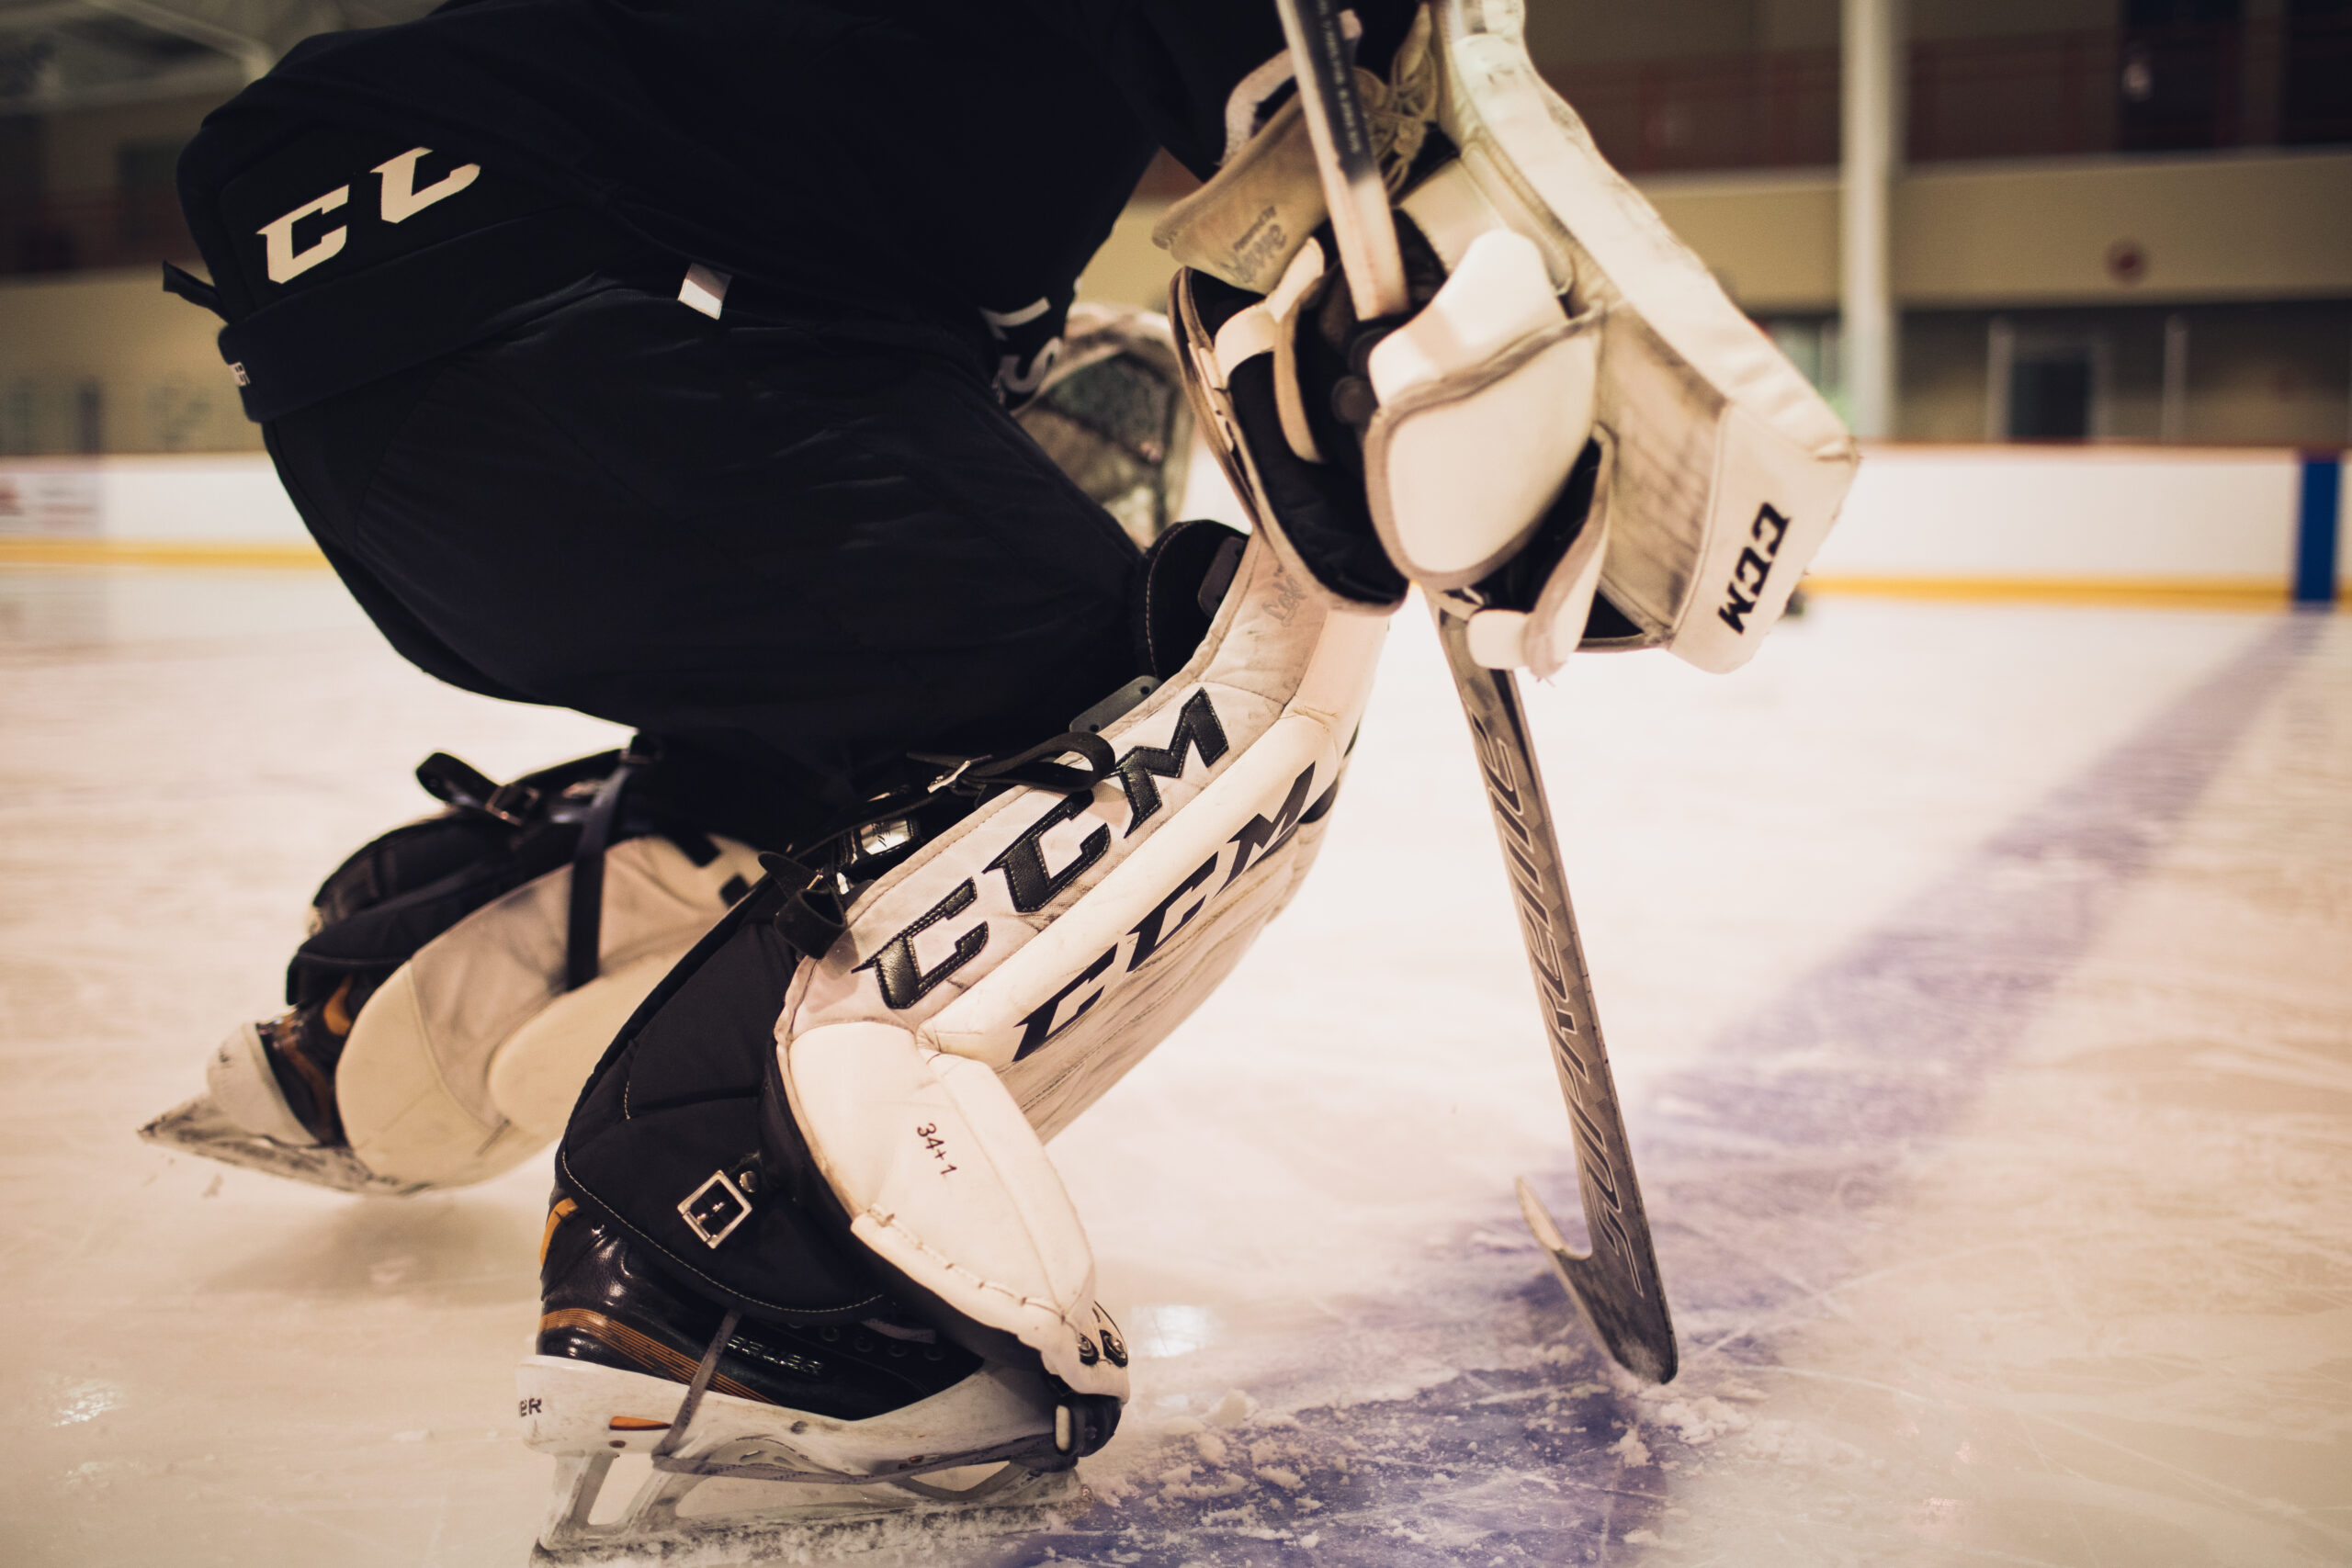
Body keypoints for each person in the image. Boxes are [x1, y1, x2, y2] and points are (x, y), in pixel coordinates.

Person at [153, 0, 1854, 1551]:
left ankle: (390, 1024)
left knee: (863, 729)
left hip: (390, 312)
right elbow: (1396, 136)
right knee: (1152, 674)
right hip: (587, 292)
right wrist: (1529, 386)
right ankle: (749, 1272)